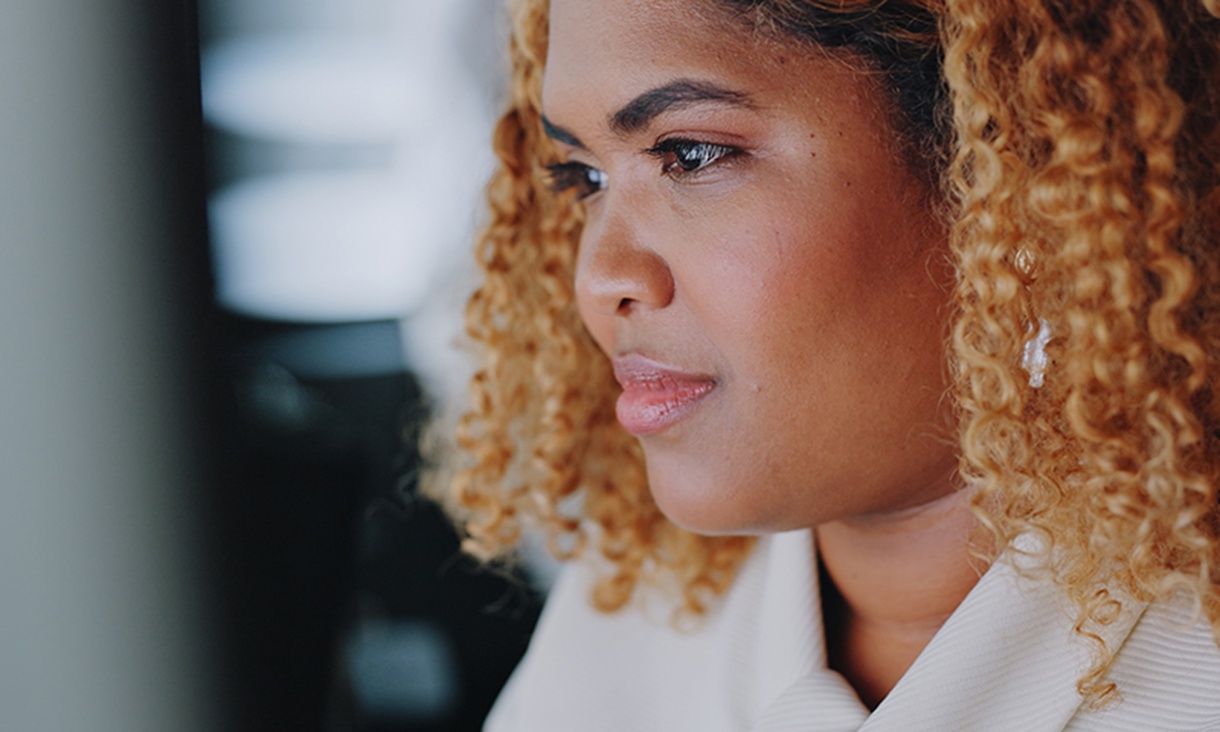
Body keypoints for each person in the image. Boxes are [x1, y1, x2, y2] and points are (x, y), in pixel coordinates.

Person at [427, 0, 1220, 728]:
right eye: (585, 177)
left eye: (691, 154)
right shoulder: (638, 622)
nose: (599, 279)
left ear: (1011, 178)